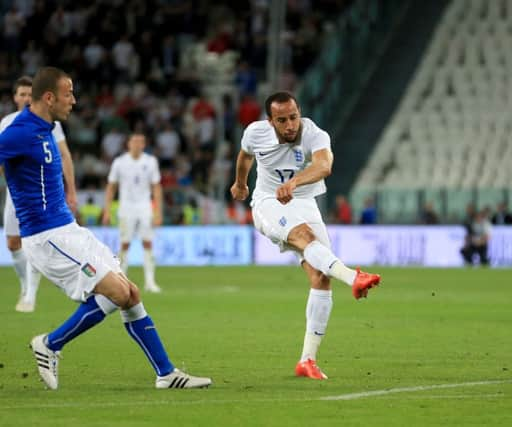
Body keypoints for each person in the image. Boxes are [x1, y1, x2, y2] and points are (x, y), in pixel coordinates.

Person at [0, 67, 210, 390]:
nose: (74, 100)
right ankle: (51, 344)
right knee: (115, 291)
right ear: (49, 97)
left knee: (130, 294)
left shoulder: (48, 129)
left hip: (67, 229)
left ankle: (166, 374)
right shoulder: (17, 132)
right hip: (46, 236)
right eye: (68, 93)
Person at [230, 91, 381, 380]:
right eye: (282, 120)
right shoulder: (255, 133)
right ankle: (353, 277)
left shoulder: (314, 133)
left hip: (304, 201)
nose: (290, 125)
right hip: (267, 202)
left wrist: (297, 182)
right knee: (302, 236)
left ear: (300, 113)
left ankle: (307, 360)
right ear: (270, 121)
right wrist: (240, 184)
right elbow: (245, 156)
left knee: (321, 276)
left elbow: (325, 166)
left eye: (294, 117)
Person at [0, 75, 77, 313]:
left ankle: (31, 293)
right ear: (15, 97)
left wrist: (71, 190)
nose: (24, 98)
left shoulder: (50, 122)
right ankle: (26, 284)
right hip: (16, 194)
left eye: (28, 94)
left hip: (43, 195)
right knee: (13, 243)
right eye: (20, 94)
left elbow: (64, 155)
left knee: (35, 239)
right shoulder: (7, 124)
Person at [102, 133, 163, 293]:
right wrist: (107, 210)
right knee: (124, 244)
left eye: (140, 142)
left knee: (148, 242)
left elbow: (156, 187)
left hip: (144, 207)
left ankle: (150, 282)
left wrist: (158, 211)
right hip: (126, 208)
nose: (137, 144)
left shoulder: (150, 162)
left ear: (144, 145)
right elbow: (111, 187)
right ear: (128, 144)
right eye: (134, 141)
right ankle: (122, 280)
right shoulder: (120, 162)